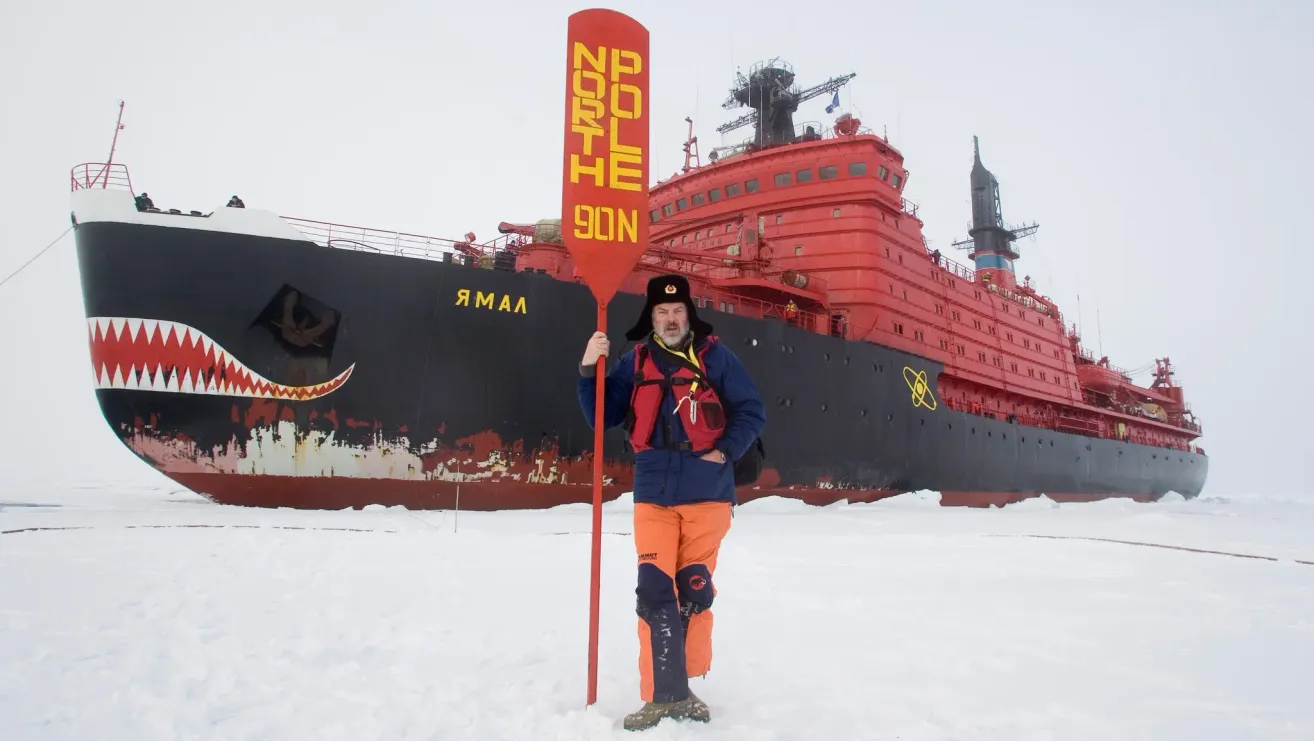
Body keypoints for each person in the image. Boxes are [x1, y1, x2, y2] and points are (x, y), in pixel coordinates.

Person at [577, 274, 766, 731]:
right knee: (655, 591)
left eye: (677, 310)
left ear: (689, 314)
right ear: (652, 317)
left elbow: (752, 409)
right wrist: (588, 371)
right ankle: (663, 695)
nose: (670, 318)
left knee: (693, 590)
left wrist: (726, 450)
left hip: (708, 494)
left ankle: (686, 682)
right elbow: (601, 417)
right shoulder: (633, 361)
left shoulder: (715, 357)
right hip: (654, 493)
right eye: (662, 312)